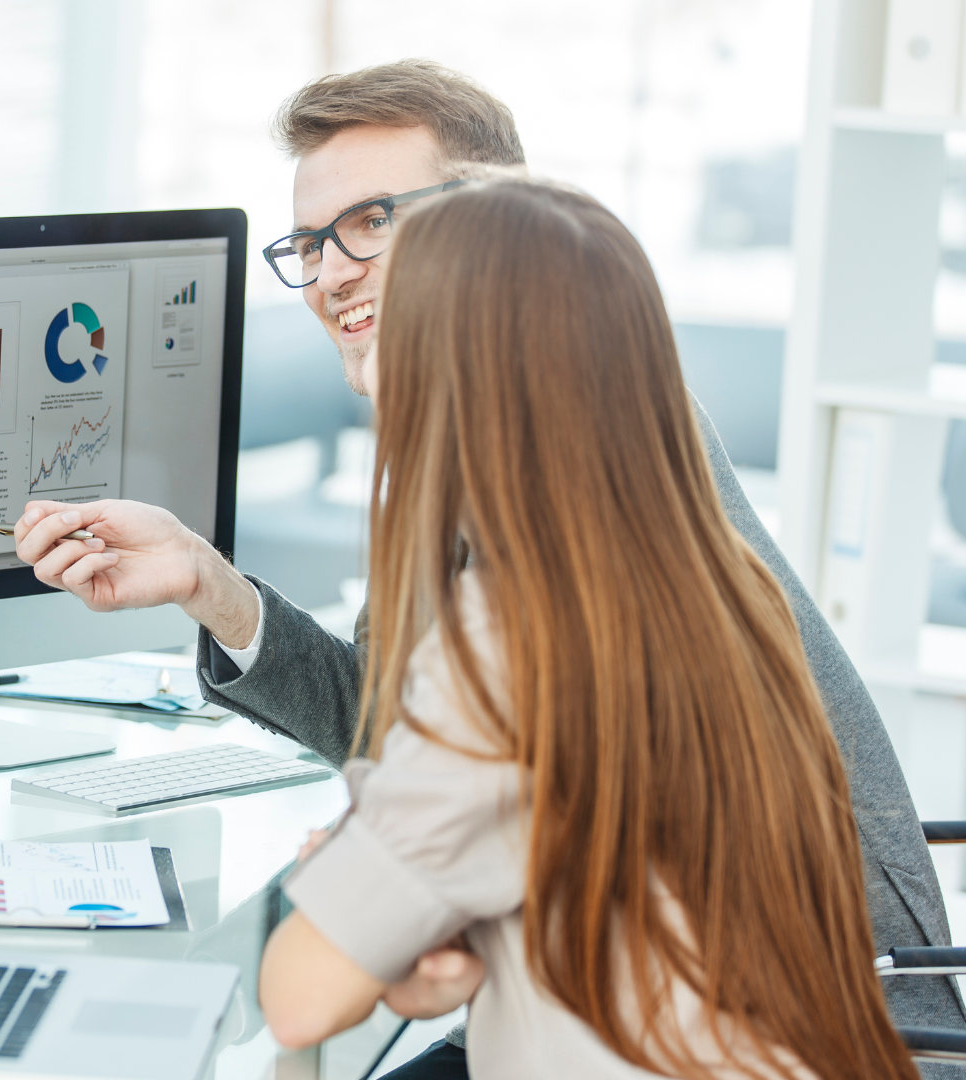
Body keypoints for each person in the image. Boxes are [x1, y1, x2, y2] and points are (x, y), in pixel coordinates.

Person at [9, 61, 966, 1077]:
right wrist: (212, 584)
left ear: (495, 222)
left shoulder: (572, 494)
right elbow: (433, 736)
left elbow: (461, 739)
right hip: (629, 985)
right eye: (308, 245)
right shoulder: (500, 453)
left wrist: (367, 878)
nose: (332, 272)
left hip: (805, 1011)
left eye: (373, 221)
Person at [252, 174, 916, 1079]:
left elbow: (299, 1000)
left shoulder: (510, 640)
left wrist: (346, 873)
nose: (338, 284)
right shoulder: (719, 582)